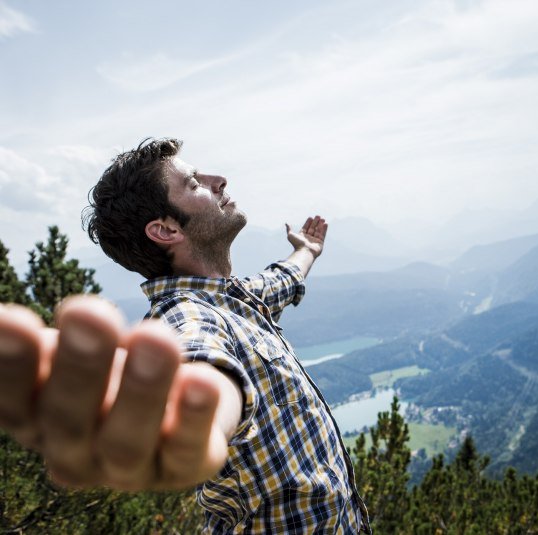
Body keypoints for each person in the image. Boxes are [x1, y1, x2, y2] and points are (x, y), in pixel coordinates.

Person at [0, 138, 370, 534]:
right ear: (166, 229)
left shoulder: (236, 297)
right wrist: (193, 419)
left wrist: (307, 250)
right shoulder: (185, 315)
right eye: (194, 183)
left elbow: (283, 279)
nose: (220, 180)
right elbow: (203, 367)